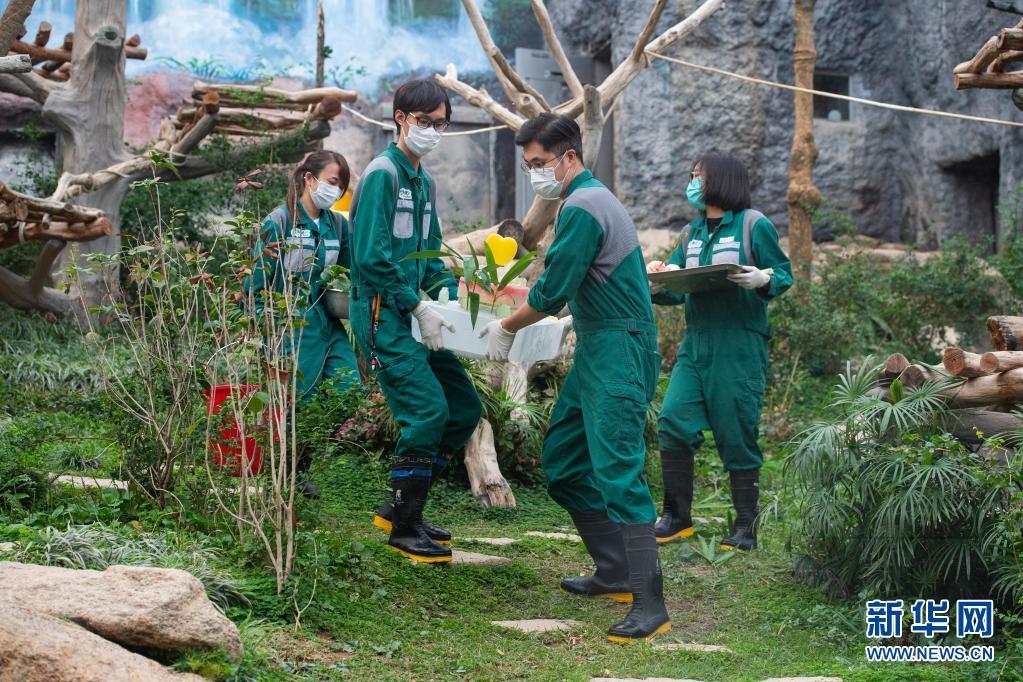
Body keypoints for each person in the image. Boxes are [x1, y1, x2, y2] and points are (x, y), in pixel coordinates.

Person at [479, 113, 670, 643]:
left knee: (619, 472)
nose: (535, 173)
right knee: (563, 459)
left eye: (540, 163)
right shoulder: (584, 202)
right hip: (597, 346)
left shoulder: (585, 206)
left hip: (620, 348)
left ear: (569, 157)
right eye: (528, 166)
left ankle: (650, 604)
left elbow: (552, 286)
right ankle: (614, 570)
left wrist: (505, 328)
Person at [349, 79, 483, 564]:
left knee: (463, 407)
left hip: (417, 313)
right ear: (401, 117)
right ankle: (404, 528)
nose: (432, 131)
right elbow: (370, 259)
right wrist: (417, 305)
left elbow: (428, 257)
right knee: (427, 411)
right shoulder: (382, 174)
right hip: (385, 314)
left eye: (441, 124)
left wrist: (450, 294)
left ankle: (403, 504)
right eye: (425, 121)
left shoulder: (423, 181)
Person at [648, 152, 792, 551]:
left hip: (739, 343)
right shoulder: (691, 232)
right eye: (691, 175)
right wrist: (659, 280)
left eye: (699, 175)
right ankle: (676, 517)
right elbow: (677, 287)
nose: (693, 182)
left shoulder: (753, 225)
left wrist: (763, 278)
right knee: (673, 419)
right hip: (696, 343)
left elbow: (783, 275)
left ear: (723, 180)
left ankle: (746, 525)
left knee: (736, 431)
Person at [247, 150, 361, 496]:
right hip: (289, 327)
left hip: (328, 324)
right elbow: (256, 282)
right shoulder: (279, 223)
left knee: (348, 389)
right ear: (308, 179)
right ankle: (289, 473)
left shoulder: (338, 225)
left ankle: (301, 460)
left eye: (340, 186)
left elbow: (347, 272)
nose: (336, 191)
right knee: (299, 400)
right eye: (331, 182)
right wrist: (258, 329)